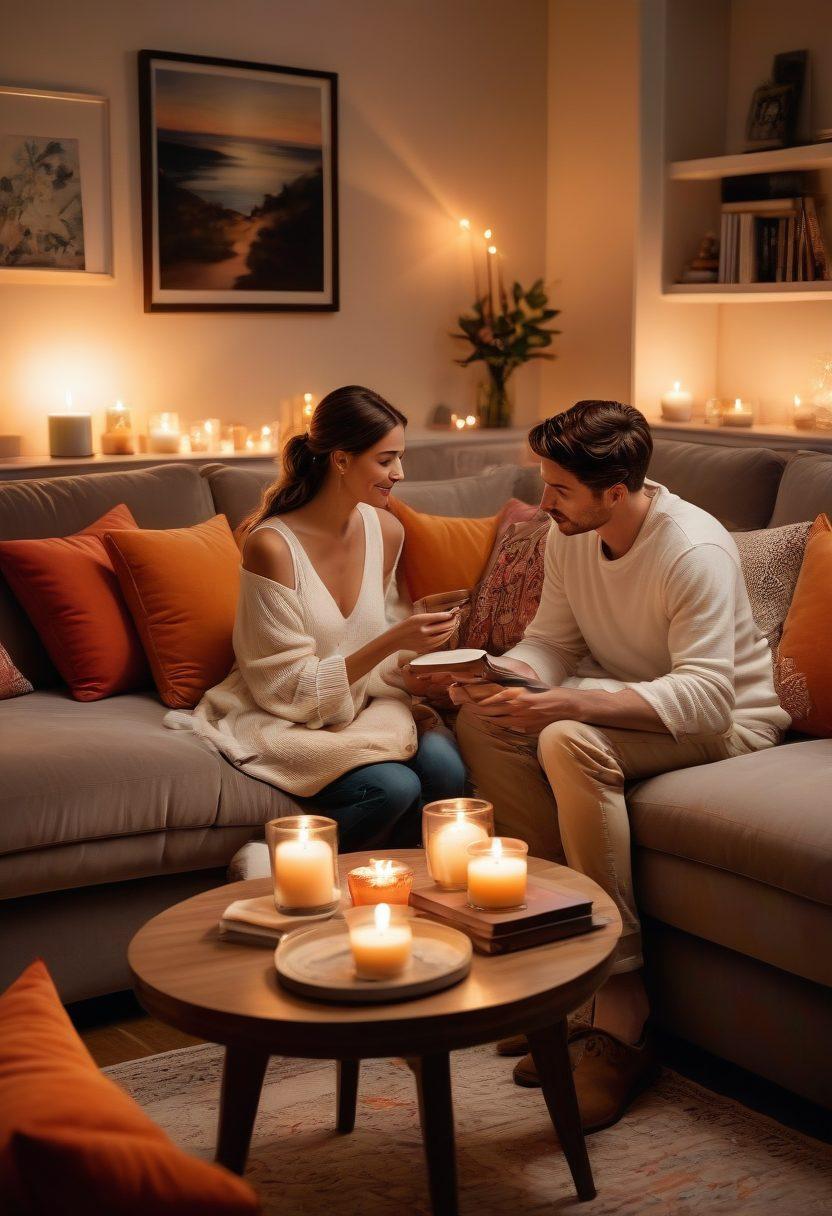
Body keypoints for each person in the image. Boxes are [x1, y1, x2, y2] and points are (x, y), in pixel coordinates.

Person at [406, 399, 789, 1130]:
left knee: (565, 738)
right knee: (487, 722)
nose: (543, 501)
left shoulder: (692, 549)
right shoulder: (570, 535)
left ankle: (620, 1006)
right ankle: (560, 965)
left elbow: (709, 698)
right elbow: (555, 642)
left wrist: (572, 705)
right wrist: (502, 678)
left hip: (728, 722)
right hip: (626, 700)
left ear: (615, 492)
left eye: (559, 488)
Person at [173, 385, 466, 850]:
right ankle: (277, 862)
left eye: (400, 458)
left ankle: (397, 879)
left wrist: (417, 650)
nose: (400, 473)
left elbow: (372, 644)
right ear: (342, 460)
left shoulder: (387, 529)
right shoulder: (272, 547)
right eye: (386, 460)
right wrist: (393, 641)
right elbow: (285, 687)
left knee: (447, 771)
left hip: (365, 704)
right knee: (394, 788)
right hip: (284, 712)